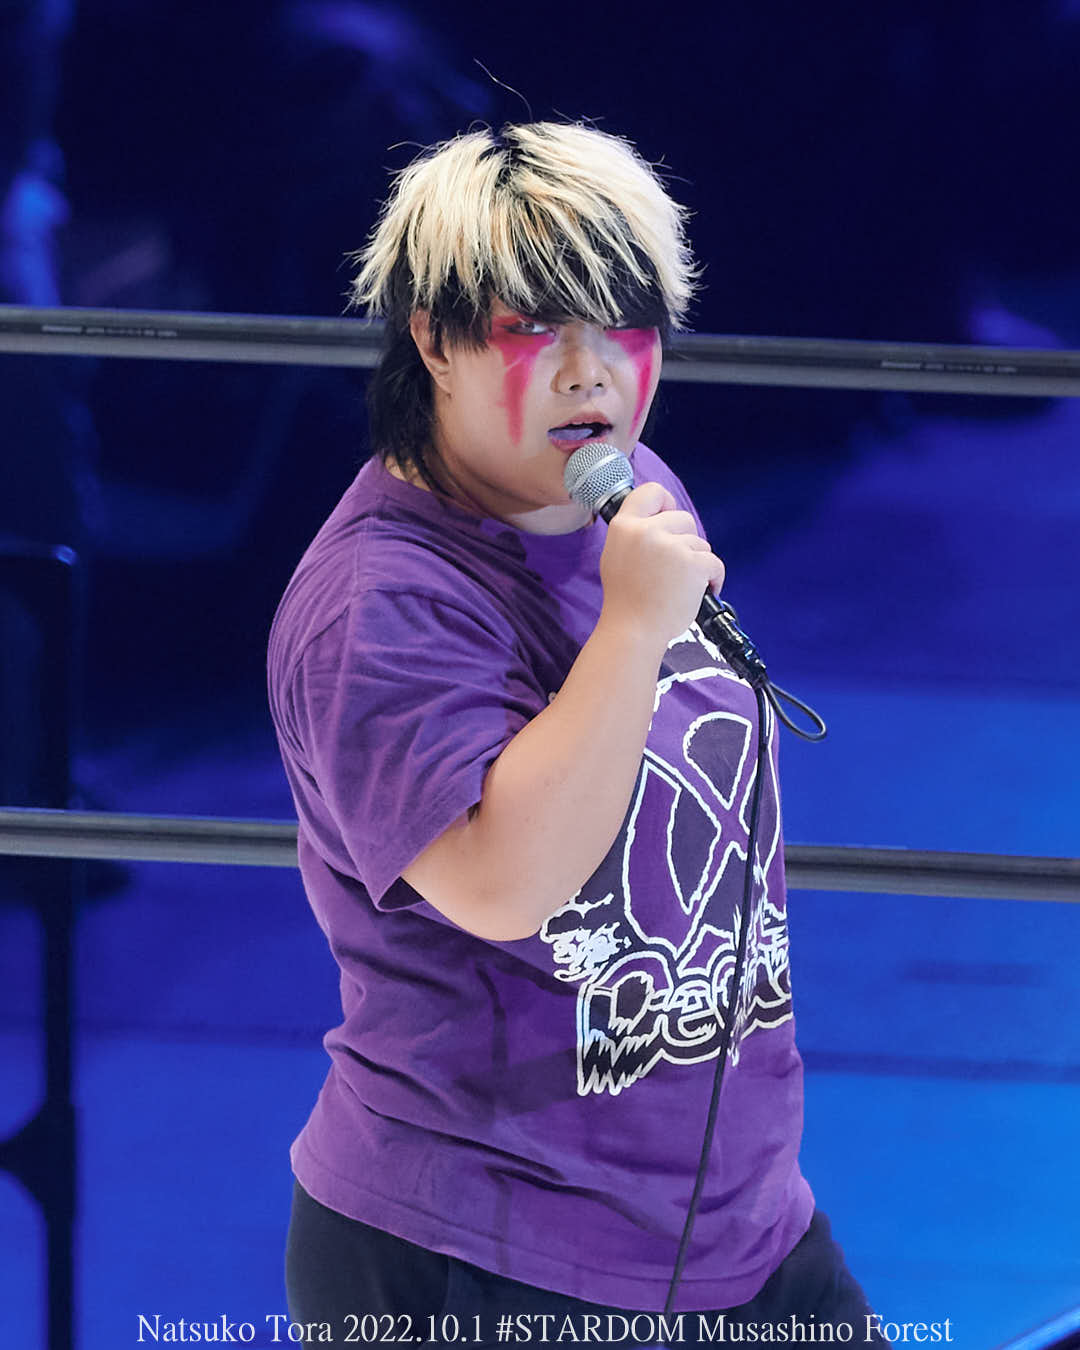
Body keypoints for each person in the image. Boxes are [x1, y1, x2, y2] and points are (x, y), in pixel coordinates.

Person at [268, 121, 889, 1347]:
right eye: (535, 327)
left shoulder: (626, 494)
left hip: (739, 1229)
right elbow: (505, 884)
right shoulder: (379, 604)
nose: (588, 372)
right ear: (433, 341)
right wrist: (632, 628)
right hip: (482, 1252)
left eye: (623, 324)